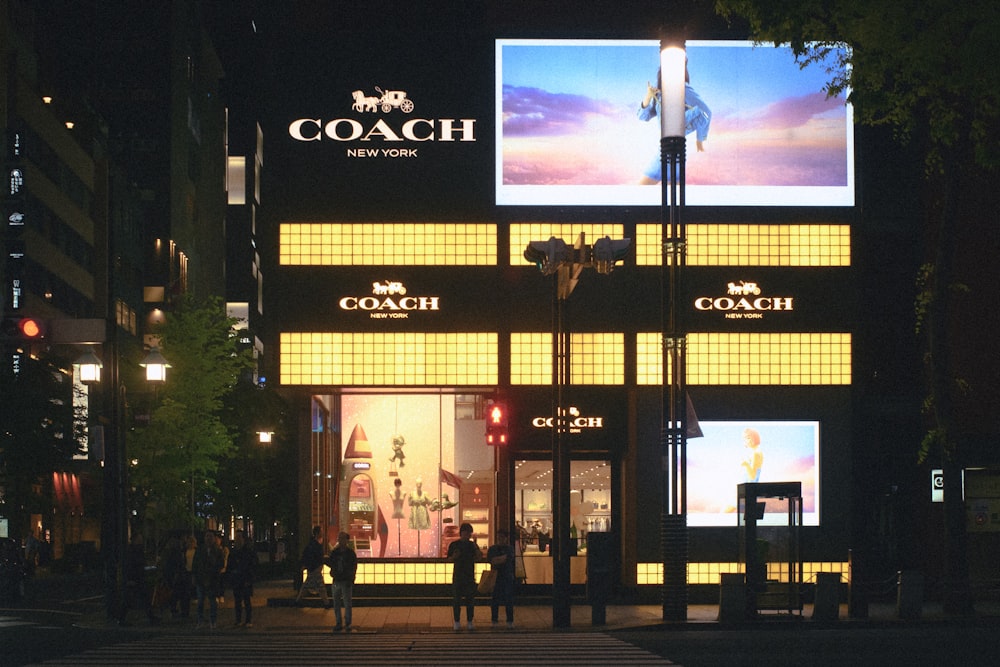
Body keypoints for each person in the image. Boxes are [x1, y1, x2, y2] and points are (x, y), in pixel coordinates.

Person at [637, 63, 712, 184]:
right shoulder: (660, 93)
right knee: (669, 191)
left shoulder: (684, 89)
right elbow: (643, 116)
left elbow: (706, 112)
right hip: (666, 145)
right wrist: (648, 97)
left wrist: (700, 139)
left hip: (676, 146)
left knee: (652, 188)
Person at [447, 522, 482, 631]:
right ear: (461, 533)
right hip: (458, 575)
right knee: (457, 600)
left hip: (470, 576)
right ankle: (457, 621)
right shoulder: (454, 544)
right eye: (466, 532)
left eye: (469, 533)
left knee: (470, 600)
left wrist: (476, 545)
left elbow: (479, 557)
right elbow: (449, 559)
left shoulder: (472, 545)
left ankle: (470, 621)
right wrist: (454, 556)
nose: (467, 535)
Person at [119, 532, 156, 626]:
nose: (141, 540)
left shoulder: (134, 550)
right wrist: (130, 578)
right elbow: (131, 566)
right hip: (136, 578)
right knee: (132, 599)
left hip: (138, 577)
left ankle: (150, 616)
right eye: (139, 538)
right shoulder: (133, 551)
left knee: (141, 598)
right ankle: (121, 618)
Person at [193, 530, 225, 629]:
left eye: (210, 536)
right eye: (207, 536)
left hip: (212, 580)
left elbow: (221, 564)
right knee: (200, 602)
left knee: (212, 602)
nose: (208, 538)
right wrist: (195, 576)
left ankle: (213, 621)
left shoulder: (218, 551)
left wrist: (213, 572)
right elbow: (195, 564)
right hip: (201, 579)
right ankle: (200, 621)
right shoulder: (199, 550)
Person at [328, 531, 358, 632]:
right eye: (339, 538)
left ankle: (347, 623)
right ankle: (339, 622)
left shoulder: (350, 554)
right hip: (337, 580)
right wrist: (332, 572)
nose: (340, 540)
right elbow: (330, 563)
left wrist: (351, 578)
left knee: (347, 603)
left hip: (346, 580)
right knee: (337, 603)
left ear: (346, 540)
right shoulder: (335, 553)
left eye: (342, 538)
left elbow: (353, 567)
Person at [227, 529, 258, 627]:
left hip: (245, 579)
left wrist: (250, 578)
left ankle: (248, 620)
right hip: (236, 579)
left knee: (246, 600)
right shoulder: (233, 553)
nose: (237, 540)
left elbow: (253, 565)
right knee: (237, 601)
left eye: (239, 537)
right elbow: (230, 566)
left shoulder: (249, 552)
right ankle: (238, 619)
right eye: (236, 538)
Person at [487, 528, 516, 628]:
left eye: (502, 537)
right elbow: (492, 560)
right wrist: (502, 558)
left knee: (509, 599)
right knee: (495, 599)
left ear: (506, 538)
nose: (500, 539)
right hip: (496, 576)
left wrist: (497, 559)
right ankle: (494, 619)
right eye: (499, 537)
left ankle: (510, 620)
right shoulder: (493, 549)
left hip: (506, 576)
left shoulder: (510, 549)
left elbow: (499, 560)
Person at [294, 525, 330, 607]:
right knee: (320, 586)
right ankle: (326, 603)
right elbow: (313, 556)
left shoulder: (312, 544)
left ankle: (298, 601)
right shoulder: (315, 544)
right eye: (321, 531)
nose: (322, 533)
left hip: (313, 567)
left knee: (307, 585)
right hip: (315, 567)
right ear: (318, 533)